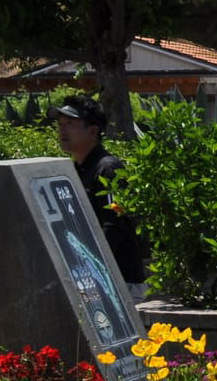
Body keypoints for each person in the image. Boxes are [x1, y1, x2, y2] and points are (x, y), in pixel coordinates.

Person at [52, 95, 149, 296]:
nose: (62, 129)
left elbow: (113, 226)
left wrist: (88, 266)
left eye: (70, 123)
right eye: (60, 123)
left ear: (93, 130)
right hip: (93, 282)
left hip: (121, 285)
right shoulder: (76, 170)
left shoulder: (108, 168)